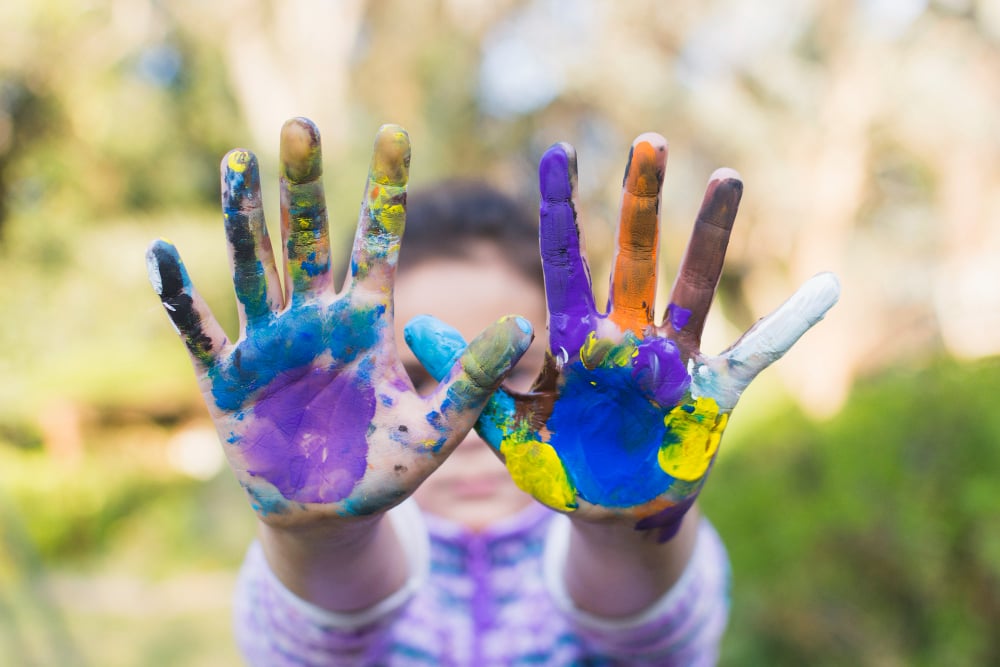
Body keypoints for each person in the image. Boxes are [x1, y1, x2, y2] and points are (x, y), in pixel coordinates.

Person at [145, 118, 839, 665]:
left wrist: (628, 530)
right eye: (416, 376)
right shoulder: (344, 562)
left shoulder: (619, 557)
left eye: (509, 370)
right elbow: (317, 638)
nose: (465, 413)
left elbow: (651, 636)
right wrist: (324, 538)